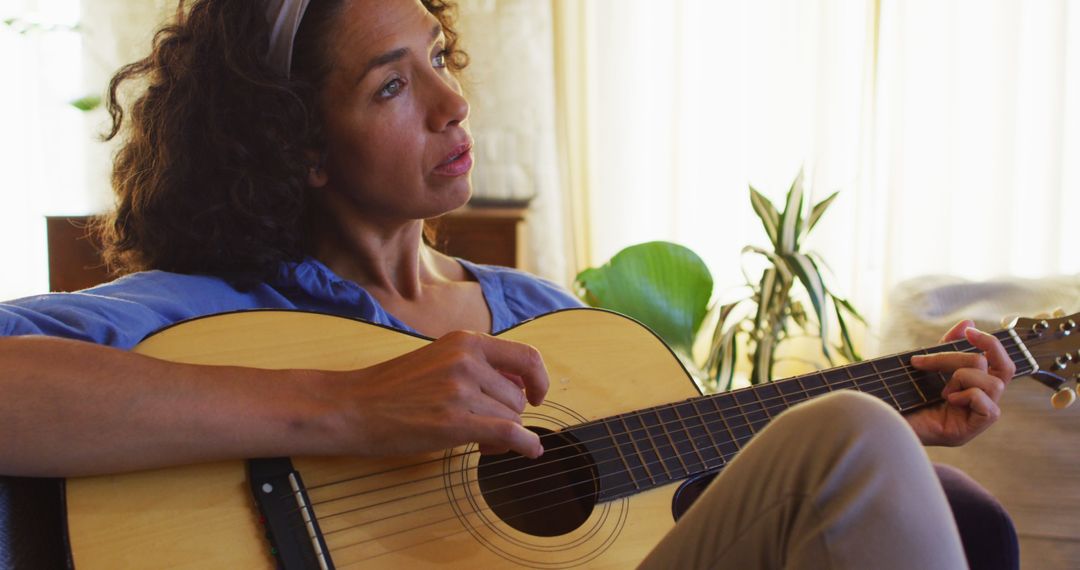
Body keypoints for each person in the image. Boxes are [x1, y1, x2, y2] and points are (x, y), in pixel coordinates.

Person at [0, 0, 1016, 567]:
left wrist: (890, 430)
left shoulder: (554, 329)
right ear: (296, 146)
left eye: (438, 57)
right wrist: (346, 406)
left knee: (859, 442)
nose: (451, 101)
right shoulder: (201, 309)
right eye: (393, 84)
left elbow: (697, 505)